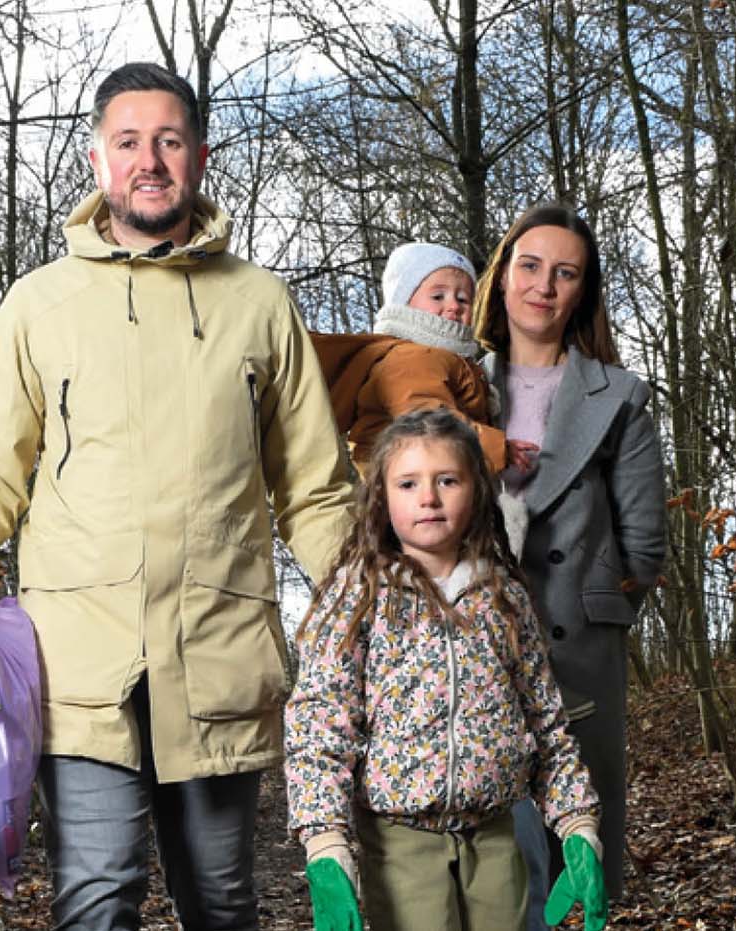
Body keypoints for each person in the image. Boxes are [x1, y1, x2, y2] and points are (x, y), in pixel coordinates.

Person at [0, 62, 355, 931]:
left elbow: (315, 488)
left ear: (198, 155)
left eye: (169, 140)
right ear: (96, 160)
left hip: (219, 651)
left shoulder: (261, 303)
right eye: (129, 142)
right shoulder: (41, 305)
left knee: (222, 902)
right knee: (95, 897)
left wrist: (378, 594)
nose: (149, 159)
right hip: (83, 662)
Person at [284, 408, 608, 931]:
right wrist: (325, 842)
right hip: (398, 840)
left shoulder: (505, 597)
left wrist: (577, 823)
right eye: (408, 483)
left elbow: (546, 722)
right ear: (382, 498)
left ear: (477, 491)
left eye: (447, 480)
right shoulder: (357, 596)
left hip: (497, 831)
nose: (428, 497)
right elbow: (320, 721)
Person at [468, 203, 667, 926]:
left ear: (582, 290)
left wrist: (590, 608)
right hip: (468, 653)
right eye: (529, 265)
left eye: (565, 273)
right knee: (486, 862)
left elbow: (645, 546)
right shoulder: (454, 382)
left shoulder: (618, 398)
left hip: (575, 654)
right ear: (502, 275)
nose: (543, 286)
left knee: (573, 869)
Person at [310, 242, 531, 546]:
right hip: (412, 493)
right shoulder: (413, 358)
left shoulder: (447, 359)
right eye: (438, 296)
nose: (453, 306)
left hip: (425, 489)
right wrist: (497, 449)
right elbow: (430, 422)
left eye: (464, 298)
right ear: (405, 303)